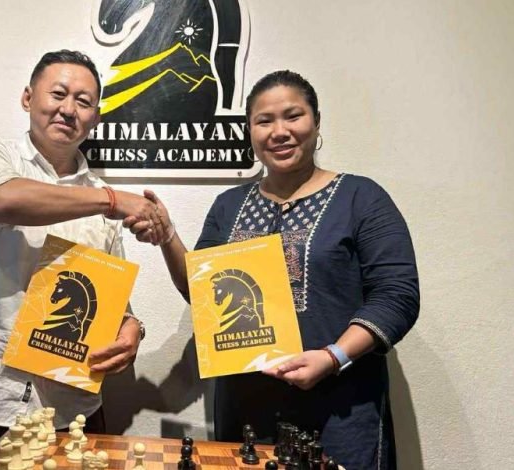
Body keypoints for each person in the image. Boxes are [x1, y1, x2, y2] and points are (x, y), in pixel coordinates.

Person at [125, 70, 419, 469]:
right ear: (250, 131)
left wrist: (333, 356)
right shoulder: (229, 206)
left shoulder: (361, 198)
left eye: (293, 116)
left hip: (342, 408)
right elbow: (203, 295)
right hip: (246, 410)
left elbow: (397, 297)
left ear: (316, 121)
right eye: (264, 121)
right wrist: (168, 236)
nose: (280, 131)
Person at [0, 50, 164, 469]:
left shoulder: (100, 200)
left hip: (66, 408)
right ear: (28, 98)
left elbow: (112, 301)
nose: (68, 109)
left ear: (95, 118)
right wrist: (110, 200)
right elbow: (2, 201)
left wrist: (131, 329)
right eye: (58, 94)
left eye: (83, 101)